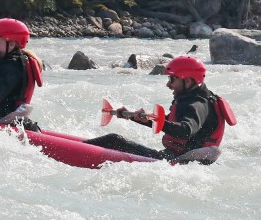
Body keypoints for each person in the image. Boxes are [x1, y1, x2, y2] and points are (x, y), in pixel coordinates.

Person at [83, 55, 235, 164]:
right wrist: (137, 118)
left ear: (187, 81)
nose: (168, 84)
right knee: (113, 140)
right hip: (176, 159)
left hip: (178, 162)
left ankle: (75, 149)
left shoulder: (198, 104)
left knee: (113, 140)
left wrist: (157, 121)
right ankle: (82, 145)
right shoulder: (193, 99)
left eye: (172, 79)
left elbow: (185, 130)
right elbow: (169, 123)